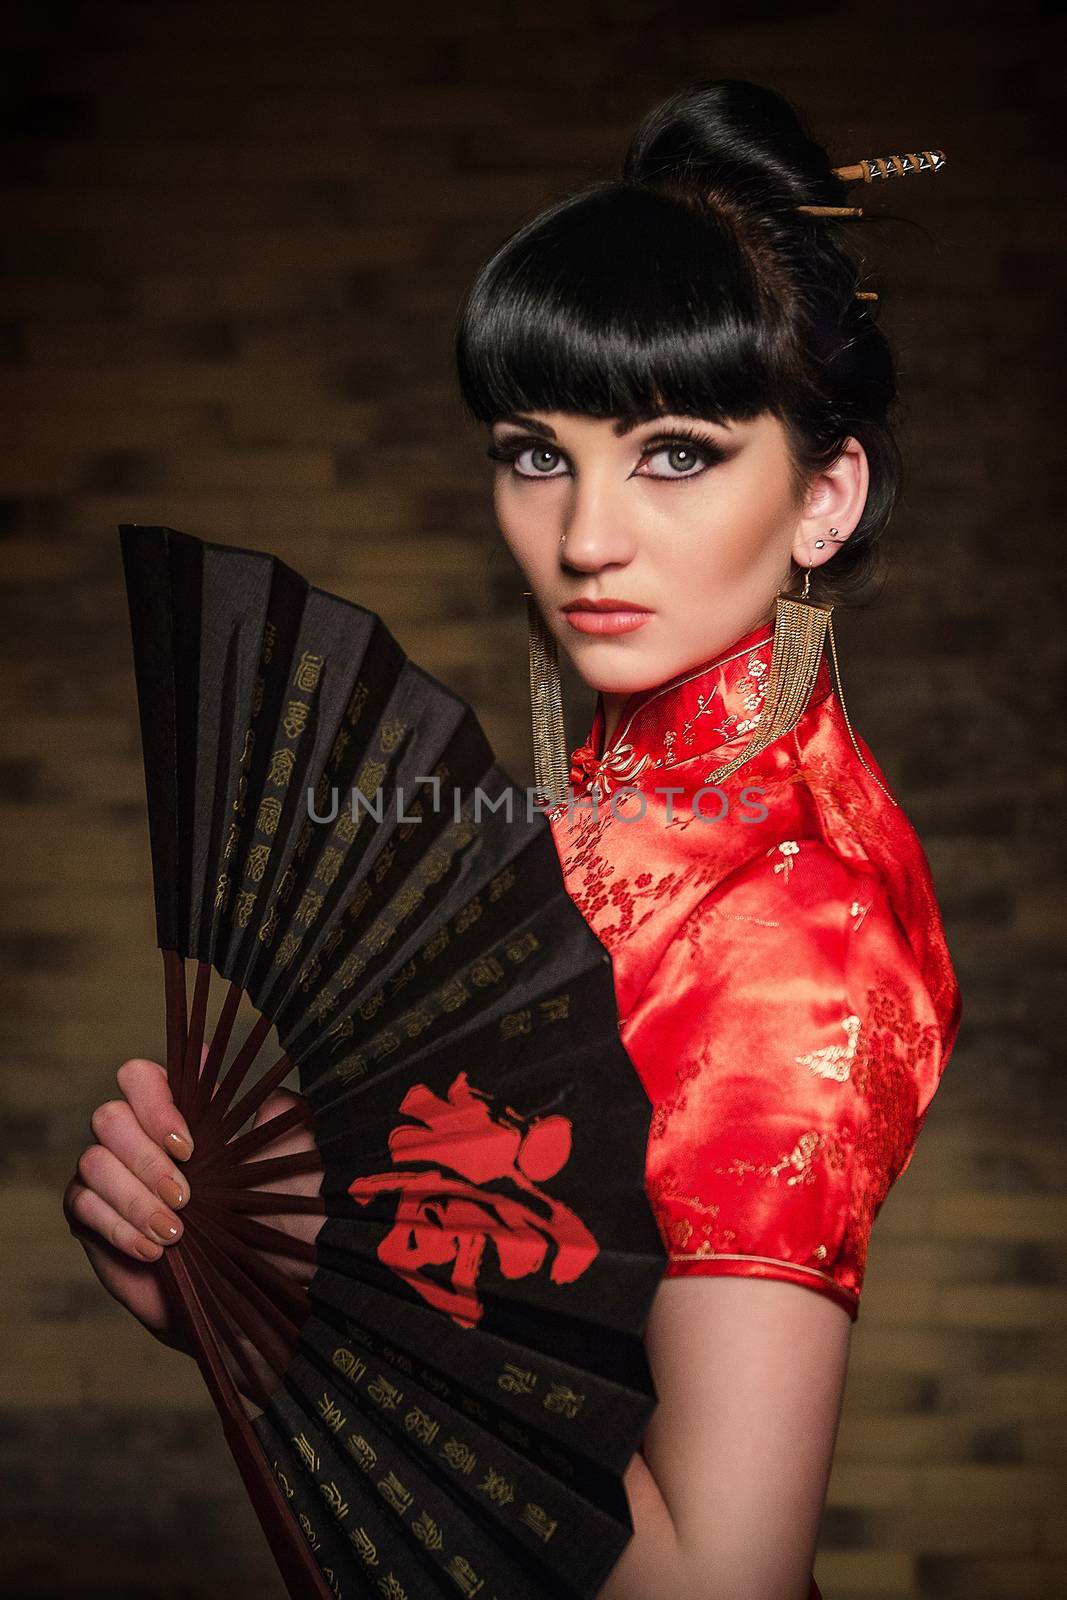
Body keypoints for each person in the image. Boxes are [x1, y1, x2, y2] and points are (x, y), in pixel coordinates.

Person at [63, 79, 960, 1600]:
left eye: (675, 452)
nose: (588, 537)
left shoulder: (790, 937)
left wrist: (322, 1298)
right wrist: (233, 1289)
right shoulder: (624, 790)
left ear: (825, 496)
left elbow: (713, 1585)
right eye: (537, 452)